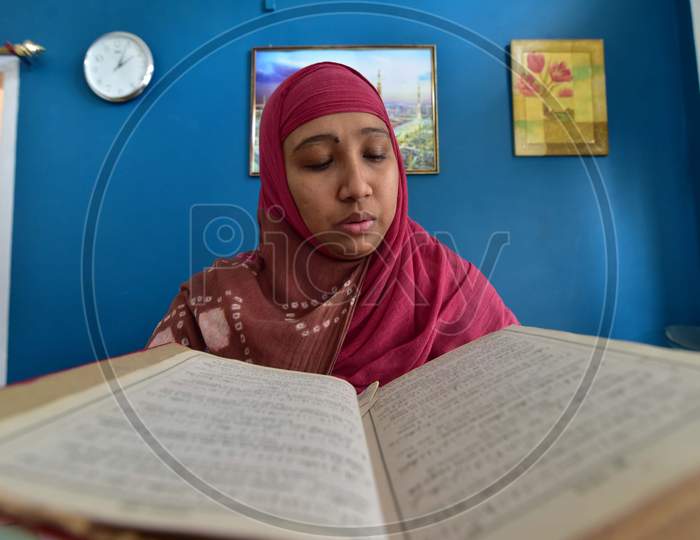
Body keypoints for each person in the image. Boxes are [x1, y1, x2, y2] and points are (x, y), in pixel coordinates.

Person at [146, 61, 518, 393]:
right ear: (278, 182)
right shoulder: (208, 307)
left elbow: (523, 404)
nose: (357, 186)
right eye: (319, 161)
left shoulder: (450, 290)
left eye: (375, 154)